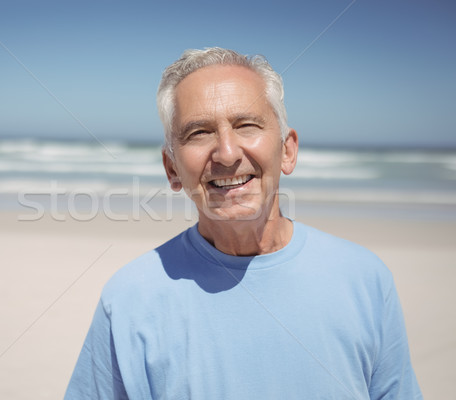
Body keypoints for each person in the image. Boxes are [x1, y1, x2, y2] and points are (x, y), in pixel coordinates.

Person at [64, 47, 422, 399]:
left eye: (247, 125)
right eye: (199, 133)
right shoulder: (129, 299)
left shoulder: (364, 279)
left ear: (287, 150)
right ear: (172, 168)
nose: (228, 153)